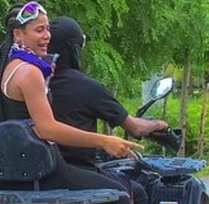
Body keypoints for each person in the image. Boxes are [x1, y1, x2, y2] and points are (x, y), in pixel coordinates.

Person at [0, 1, 141, 204]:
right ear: (18, 34)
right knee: (120, 194)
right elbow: (48, 129)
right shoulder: (29, 72)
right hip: (46, 174)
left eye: (47, 29)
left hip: (8, 177)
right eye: (39, 30)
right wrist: (104, 141)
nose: (47, 36)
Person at [47, 16, 169, 168]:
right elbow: (136, 128)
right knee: (136, 189)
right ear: (75, 50)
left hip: (42, 170)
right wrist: (158, 125)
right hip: (78, 170)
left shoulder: (36, 82)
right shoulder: (87, 87)